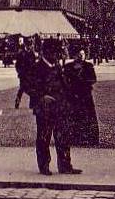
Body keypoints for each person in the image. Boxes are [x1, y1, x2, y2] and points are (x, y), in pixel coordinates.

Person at [27, 47, 81, 176]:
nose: (58, 55)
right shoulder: (37, 67)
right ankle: (44, 165)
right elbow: (28, 86)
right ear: (47, 52)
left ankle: (65, 165)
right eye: (55, 52)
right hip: (44, 108)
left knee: (63, 137)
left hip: (60, 107)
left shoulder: (57, 66)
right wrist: (41, 96)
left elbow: (64, 85)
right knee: (44, 137)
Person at [63, 50, 99, 147]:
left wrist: (83, 81)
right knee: (73, 115)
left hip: (85, 94)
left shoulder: (88, 66)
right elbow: (64, 80)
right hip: (73, 95)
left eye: (82, 54)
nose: (81, 56)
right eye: (78, 54)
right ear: (74, 55)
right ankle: (74, 138)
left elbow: (93, 79)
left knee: (88, 115)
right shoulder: (68, 67)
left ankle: (90, 138)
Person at [14, 37, 35, 109]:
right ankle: (20, 101)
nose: (30, 47)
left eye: (30, 45)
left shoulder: (30, 53)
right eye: (29, 45)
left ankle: (29, 102)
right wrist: (19, 71)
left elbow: (33, 64)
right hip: (25, 74)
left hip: (27, 74)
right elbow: (17, 64)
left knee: (26, 88)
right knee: (25, 88)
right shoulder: (24, 53)